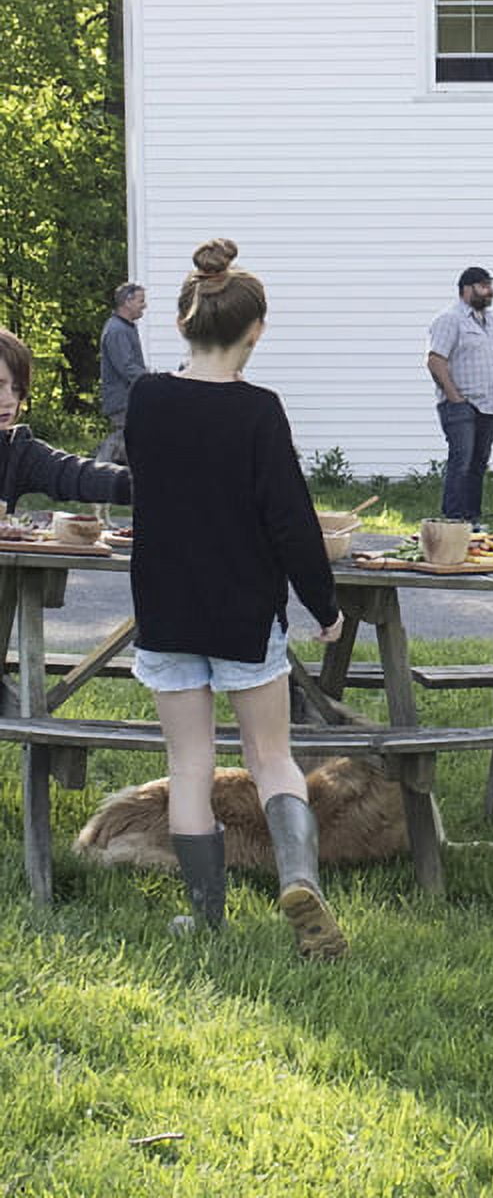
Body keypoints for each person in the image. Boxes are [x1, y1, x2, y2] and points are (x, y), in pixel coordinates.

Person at [124, 237, 348, 960]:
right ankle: (300, 882)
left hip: (167, 609)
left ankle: (205, 919)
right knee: (272, 758)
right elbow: (290, 520)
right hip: (245, 614)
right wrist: (324, 605)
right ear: (256, 330)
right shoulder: (260, 411)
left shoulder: (146, 399)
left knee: (188, 765)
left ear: (183, 320)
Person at [426, 266, 493, 528]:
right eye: (484, 286)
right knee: (462, 462)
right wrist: (455, 398)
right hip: (461, 405)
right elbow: (435, 361)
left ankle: (471, 520)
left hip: (489, 405)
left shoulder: (492, 322)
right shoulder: (450, 318)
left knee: (478, 464)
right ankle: (453, 521)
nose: (490, 291)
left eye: (490, 285)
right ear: (467, 289)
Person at [0, 327, 131, 511]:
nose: (9, 400)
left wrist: (152, 484)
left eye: (16, 388)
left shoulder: (19, 452)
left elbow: (79, 475)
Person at [97, 281, 147, 467]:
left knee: (131, 438)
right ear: (128, 301)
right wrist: (150, 380)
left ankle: (113, 472)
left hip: (129, 398)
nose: (144, 305)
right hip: (122, 399)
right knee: (127, 436)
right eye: (141, 301)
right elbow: (126, 368)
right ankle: (99, 468)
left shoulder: (125, 327)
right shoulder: (117, 330)